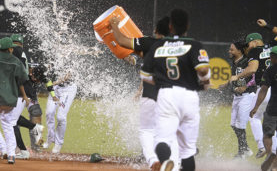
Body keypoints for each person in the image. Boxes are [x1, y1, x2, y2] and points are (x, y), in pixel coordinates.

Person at [141, 9, 211, 171]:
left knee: (162, 141)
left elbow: (144, 75)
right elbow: (202, 70)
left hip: (167, 95)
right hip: (189, 96)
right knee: (187, 152)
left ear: (170, 26)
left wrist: (159, 83)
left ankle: (167, 164)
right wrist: (205, 81)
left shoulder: (158, 45)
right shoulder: (194, 45)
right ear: (187, 25)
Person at [109, 16, 170, 170]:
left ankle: (152, 159)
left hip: (152, 94)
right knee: (164, 128)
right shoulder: (181, 46)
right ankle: (177, 155)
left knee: (146, 130)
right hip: (172, 96)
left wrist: (114, 25)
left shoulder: (149, 42)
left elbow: (122, 40)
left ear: (156, 30)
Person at [230, 33, 275, 158]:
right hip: (275, 89)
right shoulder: (273, 47)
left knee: (254, 116)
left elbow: (252, 69)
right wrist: (268, 26)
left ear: (254, 42)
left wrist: (237, 76)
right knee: (272, 121)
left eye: (248, 44)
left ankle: (262, 147)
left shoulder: (255, 51)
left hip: (265, 89)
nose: (248, 48)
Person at [9, 34, 44, 159]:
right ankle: (35, 129)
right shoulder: (21, 51)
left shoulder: (15, 50)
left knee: (11, 121)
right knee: (12, 117)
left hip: (20, 88)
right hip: (25, 88)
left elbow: (20, 72)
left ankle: (24, 150)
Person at [226, 42, 256, 158]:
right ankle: (245, 148)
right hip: (236, 97)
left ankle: (242, 152)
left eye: (232, 49)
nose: (230, 51)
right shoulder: (234, 61)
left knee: (240, 125)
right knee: (233, 124)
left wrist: (246, 86)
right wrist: (224, 84)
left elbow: (254, 74)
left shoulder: (247, 60)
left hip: (247, 96)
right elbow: (234, 77)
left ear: (239, 51)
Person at [250, 46, 277, 171]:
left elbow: (264, 90)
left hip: (273, 108)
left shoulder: (270, 70)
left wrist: (256, 107)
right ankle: (275, 164)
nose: (270, 58)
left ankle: (270, 153)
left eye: (271, 56)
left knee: (267, 134)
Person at [43, 72, 77, 154]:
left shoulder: (70, 60)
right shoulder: (53, 60)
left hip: (68, 90)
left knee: (60, 117)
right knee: (49, 113)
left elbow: (67, 77)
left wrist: (52, 84)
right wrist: (50, 84)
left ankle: (58, 143)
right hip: (55, 88)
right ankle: (50, 137)